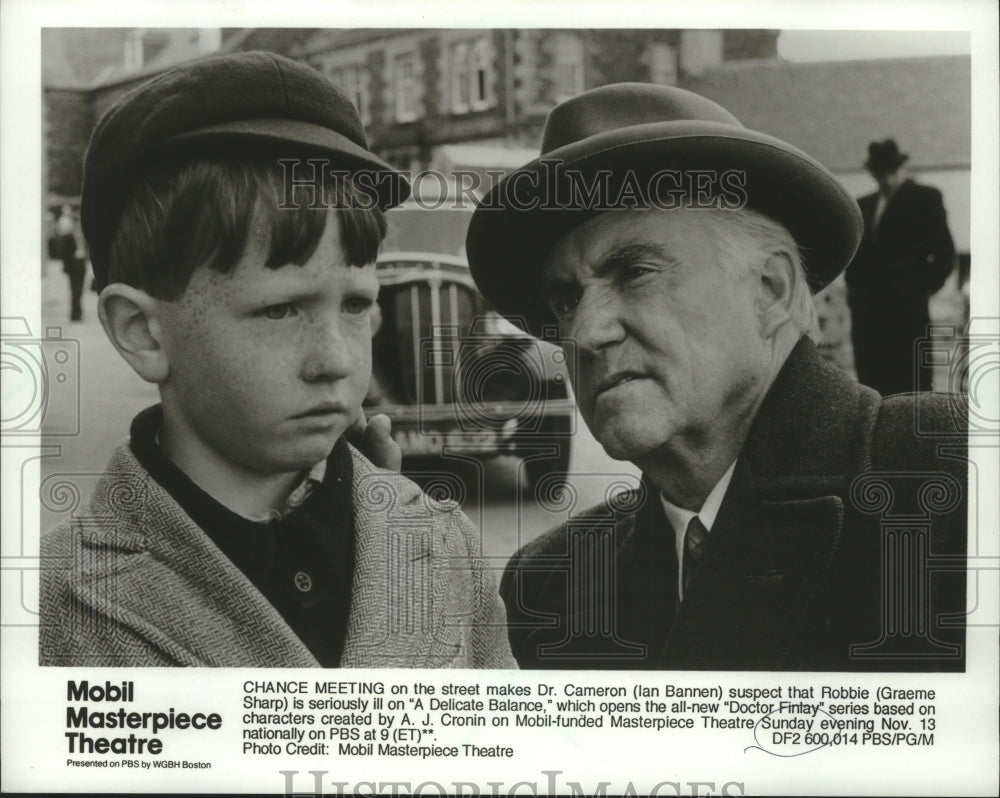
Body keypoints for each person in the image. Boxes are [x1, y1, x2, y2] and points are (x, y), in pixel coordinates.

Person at [465, 83, 967, 671]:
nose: (583, 333)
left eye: (635, 272)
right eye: (566, 299)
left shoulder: (956, 486)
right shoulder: (548, 585)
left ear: (770, 290)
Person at [39, 52, 513, 668]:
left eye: (357, 304)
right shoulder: (47, 610)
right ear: (143, 333)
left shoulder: (447, 546)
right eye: (281, 310)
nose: (336, 361)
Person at [845, 138, 955, 395]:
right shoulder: (863, 205)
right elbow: (856, 256)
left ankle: (909, 435)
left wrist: (919, 289)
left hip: (906, 310)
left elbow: (944, 253)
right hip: (868, 313)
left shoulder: (924, 198)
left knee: (909, 381)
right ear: (872, 172)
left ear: (900, 168)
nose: (886, 178)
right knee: (872, 381)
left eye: (890, 171)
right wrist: (856, 293)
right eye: (880, 172)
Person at [53, 205, 88, 321]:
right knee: (75, 289)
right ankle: (75, 314)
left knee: (80, 289)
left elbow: (87, 249)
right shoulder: (68, 237)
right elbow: (64, 253)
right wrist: (67, 265)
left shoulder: (83, 236)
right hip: (74, 265)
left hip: (82, 263)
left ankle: (78, 311)